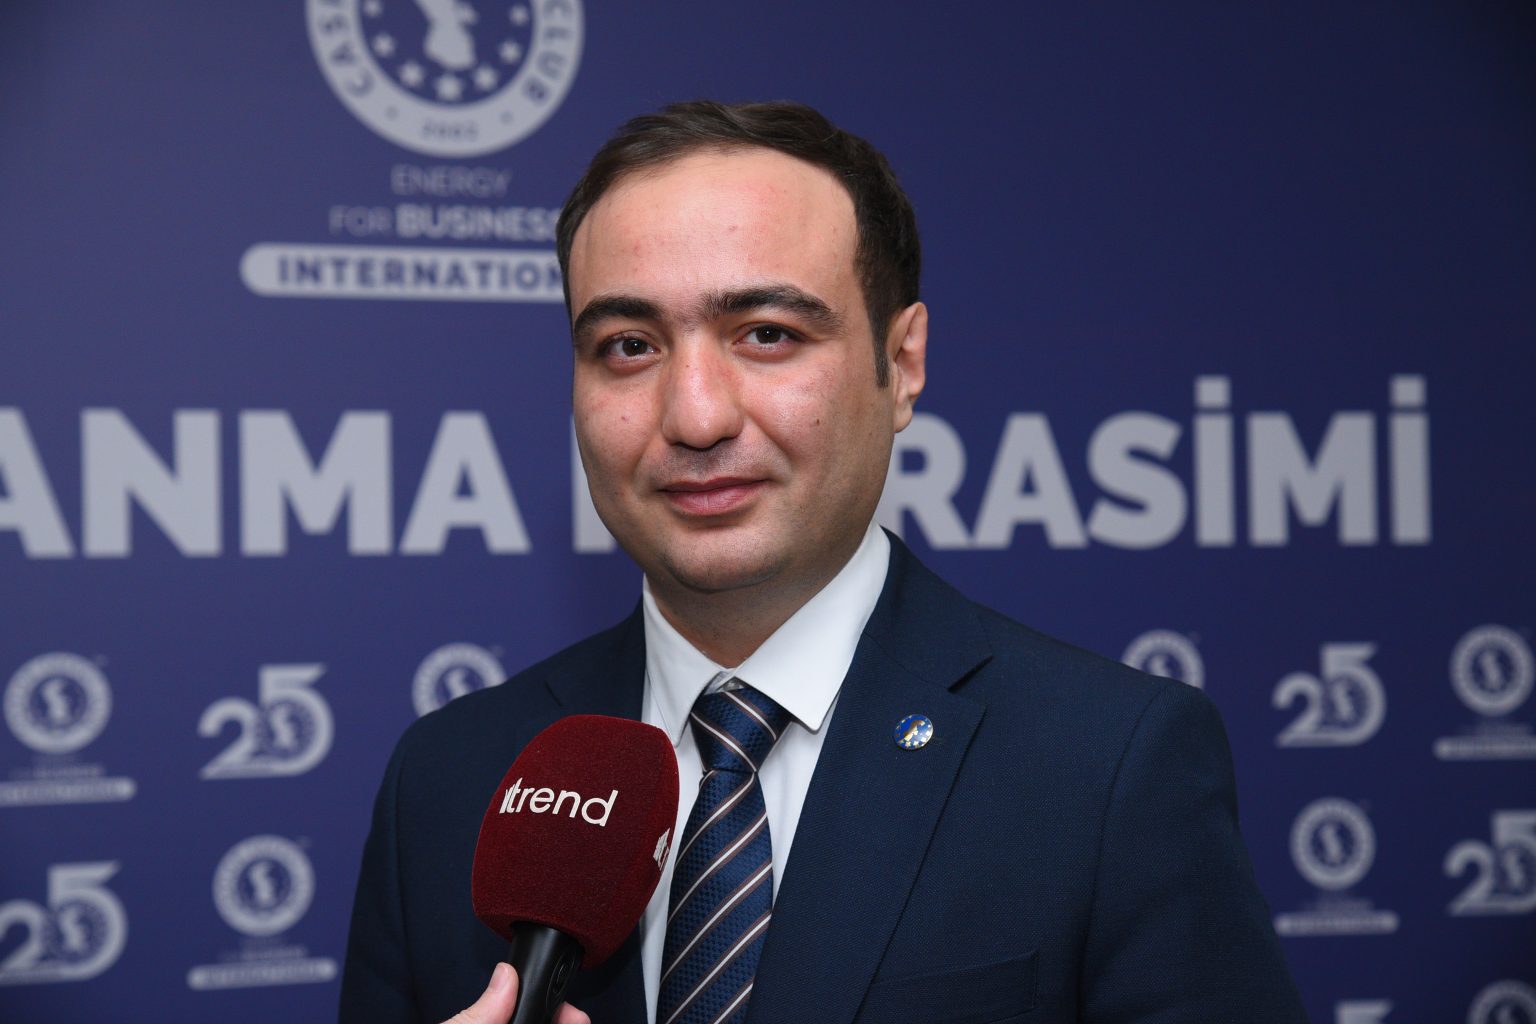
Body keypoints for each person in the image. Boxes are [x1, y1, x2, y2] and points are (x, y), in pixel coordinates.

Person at [340, 100, 1308, 1024]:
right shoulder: (452, 779)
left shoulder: (1106, 767)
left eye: (768, 335)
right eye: (628, 345)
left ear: (904, 364)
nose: (696, 416)